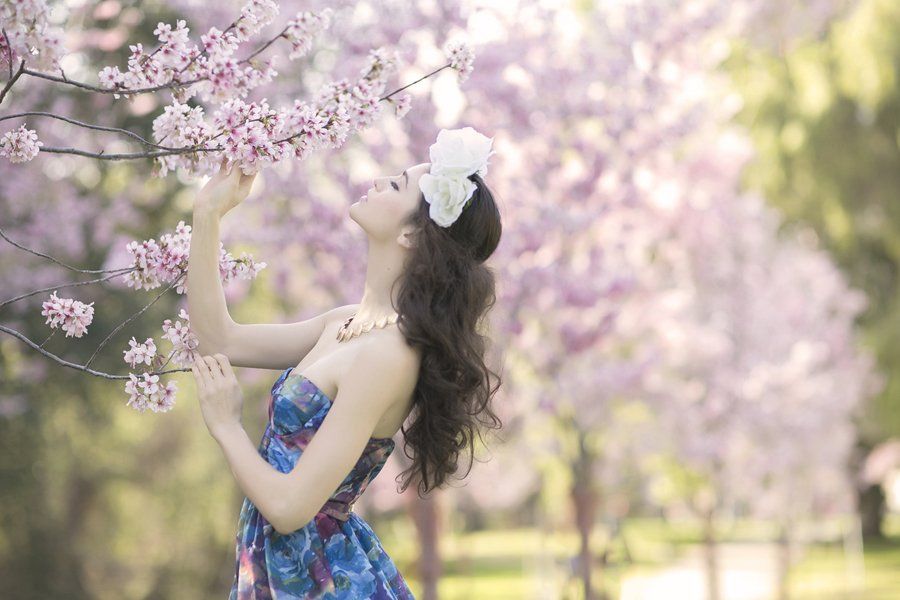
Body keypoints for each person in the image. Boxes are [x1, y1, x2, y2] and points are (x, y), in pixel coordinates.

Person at [187, 126, 505, 598]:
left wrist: (227, 425)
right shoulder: (345, 323)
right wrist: (208, 213)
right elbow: (220, 339)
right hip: (287, 569)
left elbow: (291, 507)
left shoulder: (389, 355)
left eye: (396, 184)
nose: (377, 180)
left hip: (319, 580)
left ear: (411, 232)